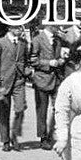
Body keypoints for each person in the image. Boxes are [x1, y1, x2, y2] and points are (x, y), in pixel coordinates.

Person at [0, 23, 30, 152]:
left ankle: (14, 136)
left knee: (20, 108)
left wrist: (27, 72)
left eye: (20, 27)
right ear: (10, 28)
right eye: (16, 27)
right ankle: (5, 140)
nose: (19, 29)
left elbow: (25, 60)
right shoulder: (0, 43)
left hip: (19, 81)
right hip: (3, 82)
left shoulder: (23, 43)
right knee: (4, 111)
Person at [28, 20, 65, 150]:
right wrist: (49, 63)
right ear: (50, 26)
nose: (60, 28)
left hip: (56, 80)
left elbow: (60, 55)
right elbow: (33, 60)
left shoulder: (58, 40)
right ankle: (43, 138)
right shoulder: (37, 40)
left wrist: (61, 60)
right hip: (41, 80)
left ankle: (53, 134)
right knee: (41, 110)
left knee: (59, 108)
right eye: (58, 25)